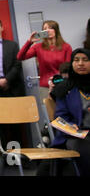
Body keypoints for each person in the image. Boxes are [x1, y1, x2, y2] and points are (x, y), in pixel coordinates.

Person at [49, 48, 90, 176]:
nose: (80, 64)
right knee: (85, 147)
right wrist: (70, 126)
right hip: (75, 136)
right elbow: (60, 117)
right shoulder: (65, 88)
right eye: (76, 60)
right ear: (72, 64)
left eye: (85, 60)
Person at [17, 19, 72, 101]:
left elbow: (68, 69)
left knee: (64, 112)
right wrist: (29, 42)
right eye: (45, 28)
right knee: (49, 112)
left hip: (63, 85)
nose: (48, 30)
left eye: (50, 28)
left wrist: (59, 80)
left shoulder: (66, 47)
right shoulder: (38, 47)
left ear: (56, 30)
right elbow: (20, 57)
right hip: (45, 87)